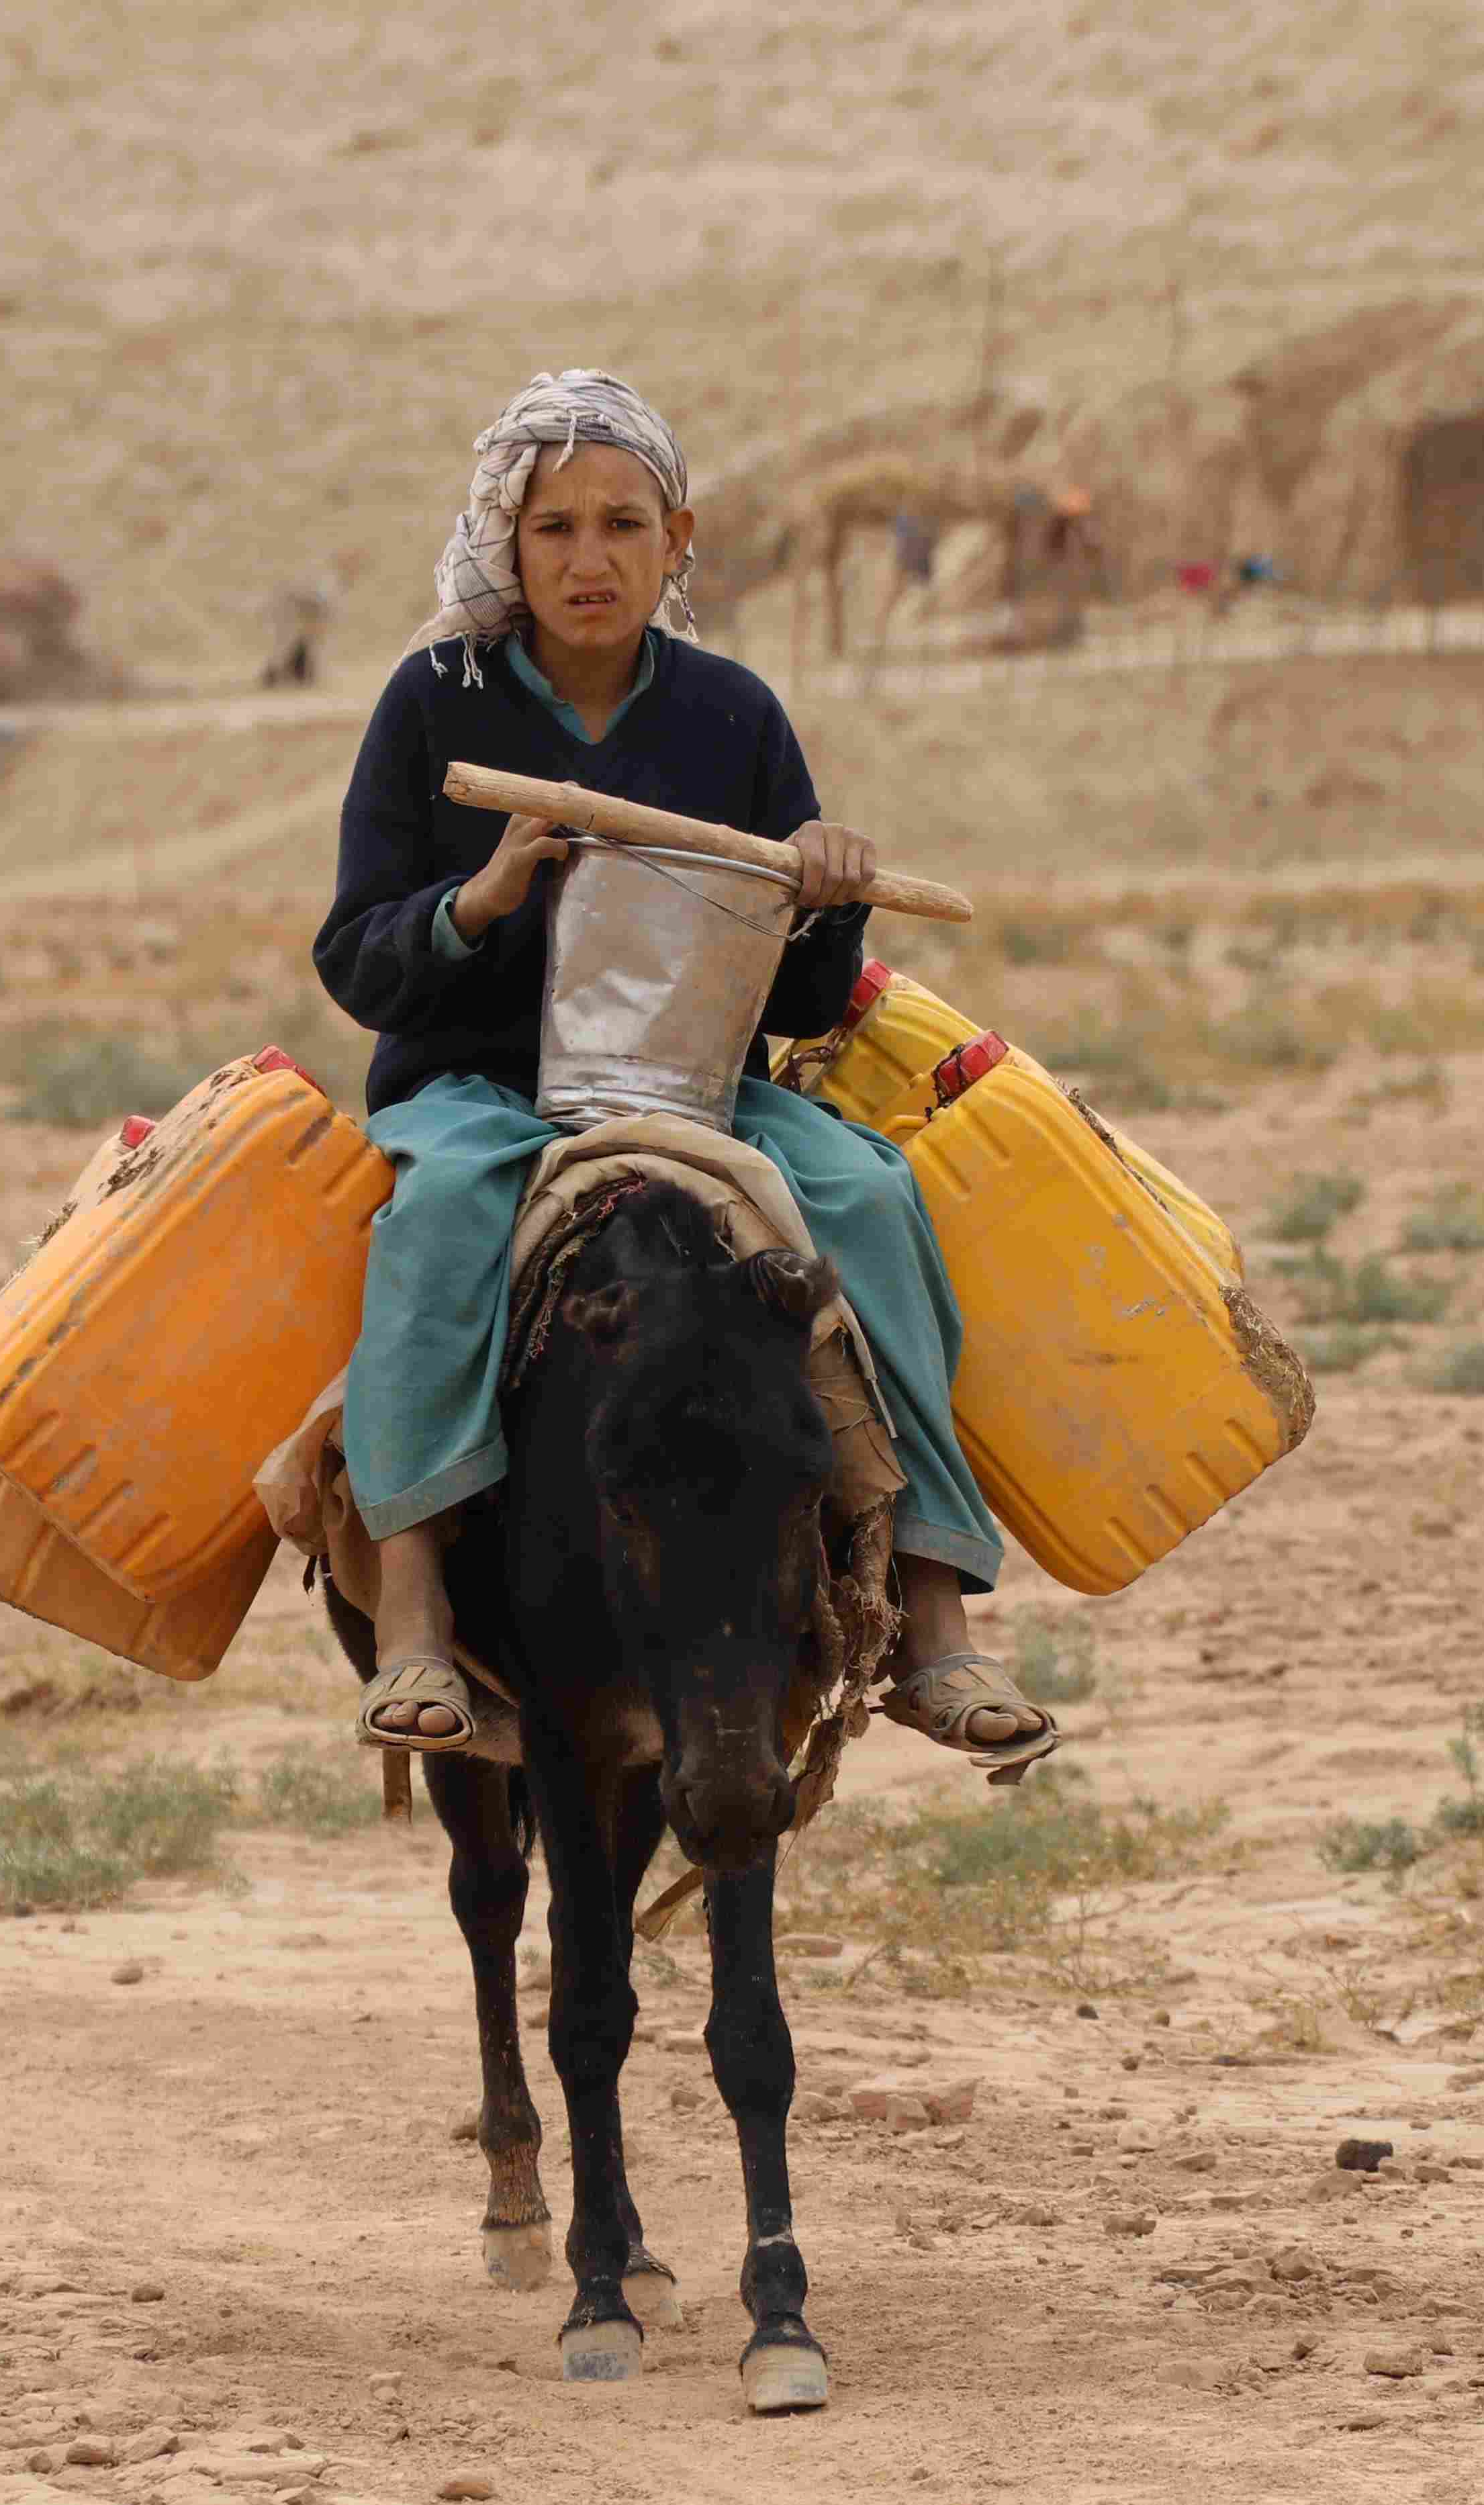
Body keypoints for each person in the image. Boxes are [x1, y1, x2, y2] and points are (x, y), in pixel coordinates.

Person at [314, 369, 1056, 1776]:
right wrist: (481, 900)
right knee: (438, 1216)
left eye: (621, 524)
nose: (588, 559)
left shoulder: (733, 715)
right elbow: (358, 958)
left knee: (868, 1188)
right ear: (506, 542)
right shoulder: (433, 703)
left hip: (695, 1088)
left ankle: (934, 1616)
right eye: (554, 530)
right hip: (484, 1086)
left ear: (678, 537)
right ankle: (411, 1600)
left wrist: (830, 895)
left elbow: (802, 1004)